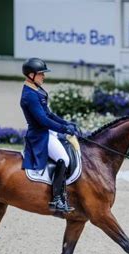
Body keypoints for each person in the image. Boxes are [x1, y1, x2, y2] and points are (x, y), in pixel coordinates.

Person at [20, 57, 78, 213]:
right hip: (40, 135)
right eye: (41, 74)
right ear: (31, 75)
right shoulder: (29, 95)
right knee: (63, 159)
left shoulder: (36, 90)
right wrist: (64, 129)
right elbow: (43, 121)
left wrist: (66, 123)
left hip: (47, 131)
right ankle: (57, 199)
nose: (43, 76)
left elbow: (49, 114)